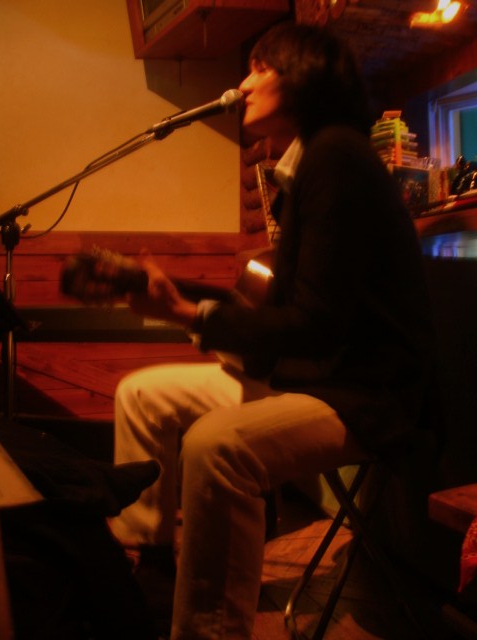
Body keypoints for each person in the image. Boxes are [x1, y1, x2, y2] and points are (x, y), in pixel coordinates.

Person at [108, 21, 435, 640]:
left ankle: (210, 630)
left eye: (261, 67)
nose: (245, 82)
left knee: (216, 446)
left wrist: (188, 315)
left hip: (368, 394)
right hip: (317, 378)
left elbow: (315, 324)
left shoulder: (337, 157)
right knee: (141, 395)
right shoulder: (304, 169)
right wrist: (184, 301)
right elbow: (287, 309)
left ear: (305, 77)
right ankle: (151, 574)